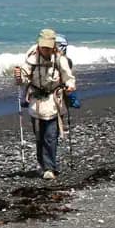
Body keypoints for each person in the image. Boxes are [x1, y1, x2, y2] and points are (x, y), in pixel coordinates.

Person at [15, 27, 77, 180]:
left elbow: (68, 76)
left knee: (51, 135)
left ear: (53, 46)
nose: (45, 50)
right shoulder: (32, 59)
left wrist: (70, 86)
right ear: (39, 45)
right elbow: (23, 79)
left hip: (53, 101)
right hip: (36, 102)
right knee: (39, 136)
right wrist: (18, 78)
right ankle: (43, 165)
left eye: (48, 48)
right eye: (43, 47)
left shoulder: (60, 59)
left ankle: (50, 167)